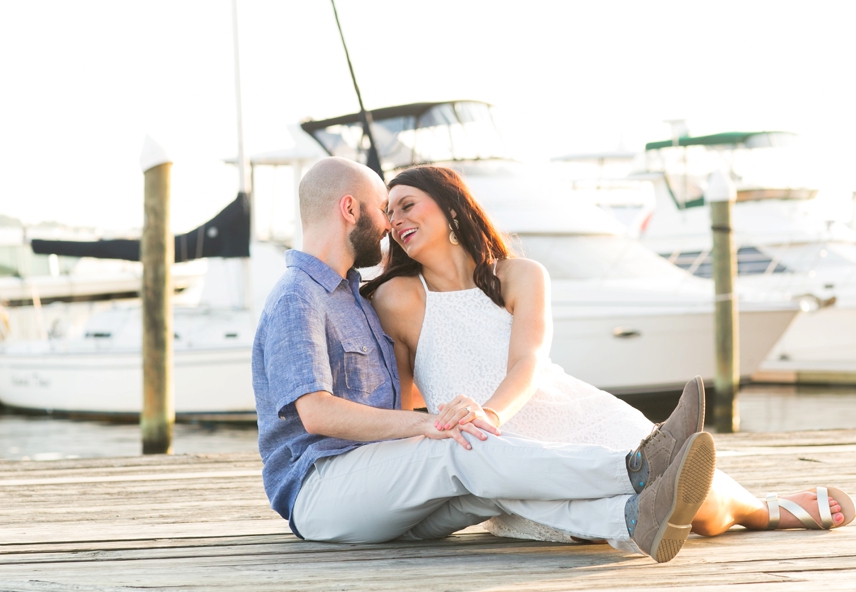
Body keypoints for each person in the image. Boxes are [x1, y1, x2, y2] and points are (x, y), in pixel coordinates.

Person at [251, 157, 718, 563]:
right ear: (350, 209)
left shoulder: (353, 298)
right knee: (462, 446)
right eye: (381, 208)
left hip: (381, 481)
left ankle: (632, 519)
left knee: (493, 484)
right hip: (323, 491)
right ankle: (636, 467)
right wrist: (430, 424)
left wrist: (446, 421)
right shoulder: (299, 297)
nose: (390, 224)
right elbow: (315, 413)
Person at [362, 165, 856, 541]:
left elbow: (529, 361)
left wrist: (489, 412)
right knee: (656, 500)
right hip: (494, 457)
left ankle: (756, 510)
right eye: (390, 213)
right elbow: (405, 403)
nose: (397, 219)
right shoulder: (396, 298)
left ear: (451, 206)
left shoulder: (522, 275)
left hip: (568, 412)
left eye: (407, 204)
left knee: (678, 480)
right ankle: (752, 510)